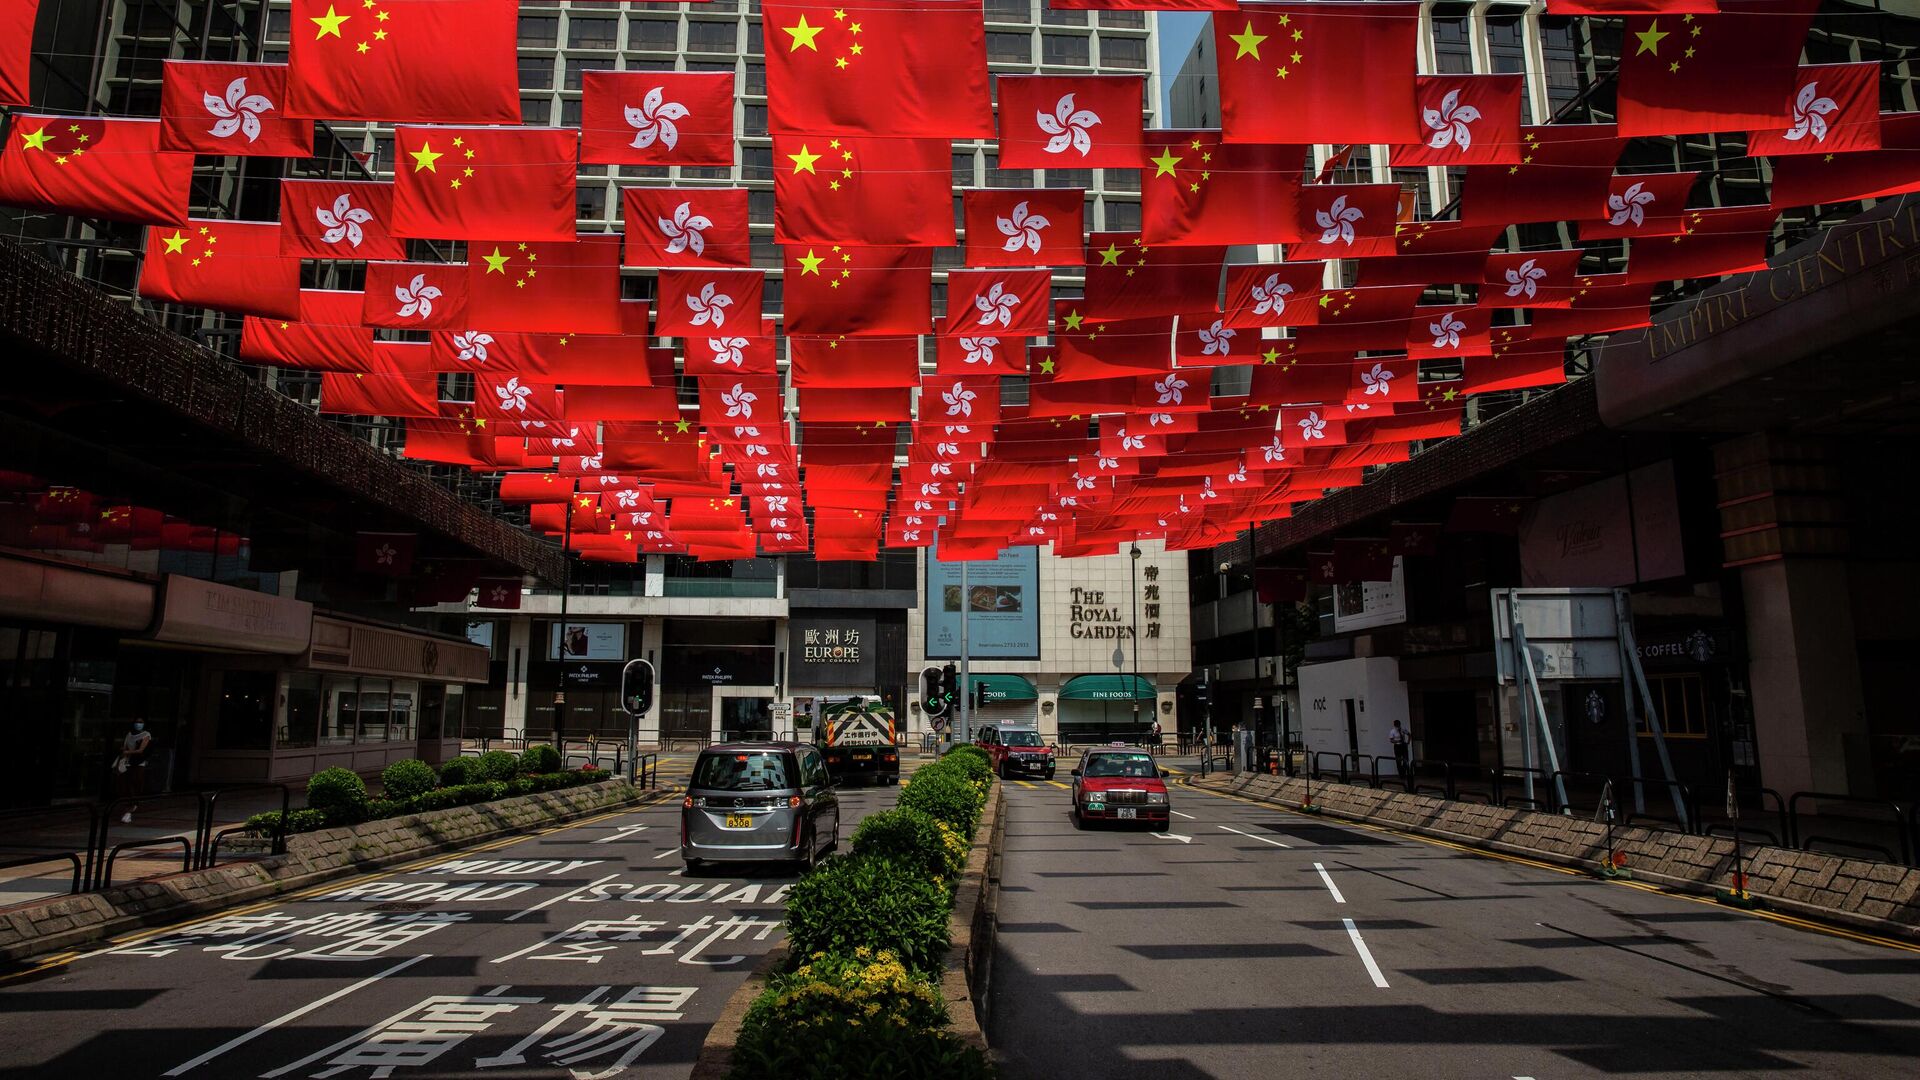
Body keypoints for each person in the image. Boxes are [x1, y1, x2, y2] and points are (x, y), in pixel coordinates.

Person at [113, 720, 153, 823]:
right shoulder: (129, 734)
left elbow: (141, 750)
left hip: (138, 763)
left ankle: (132, 806)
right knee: (126, 784)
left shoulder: (146, 735)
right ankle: (128, 805)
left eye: (140, 722)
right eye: (137, 722)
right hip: (127, 762)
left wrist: (127, 752)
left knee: (135, 783)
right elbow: (125, 746)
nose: (138, 724)